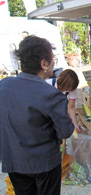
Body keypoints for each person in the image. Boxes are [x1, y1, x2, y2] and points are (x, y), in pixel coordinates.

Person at [0, 35, 74, 195]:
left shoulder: (4, 85)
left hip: (13, 160)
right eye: (52, 59)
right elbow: (65, 131)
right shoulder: (52, 95)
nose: (54, 63)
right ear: (44, 63)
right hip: (44, 164)